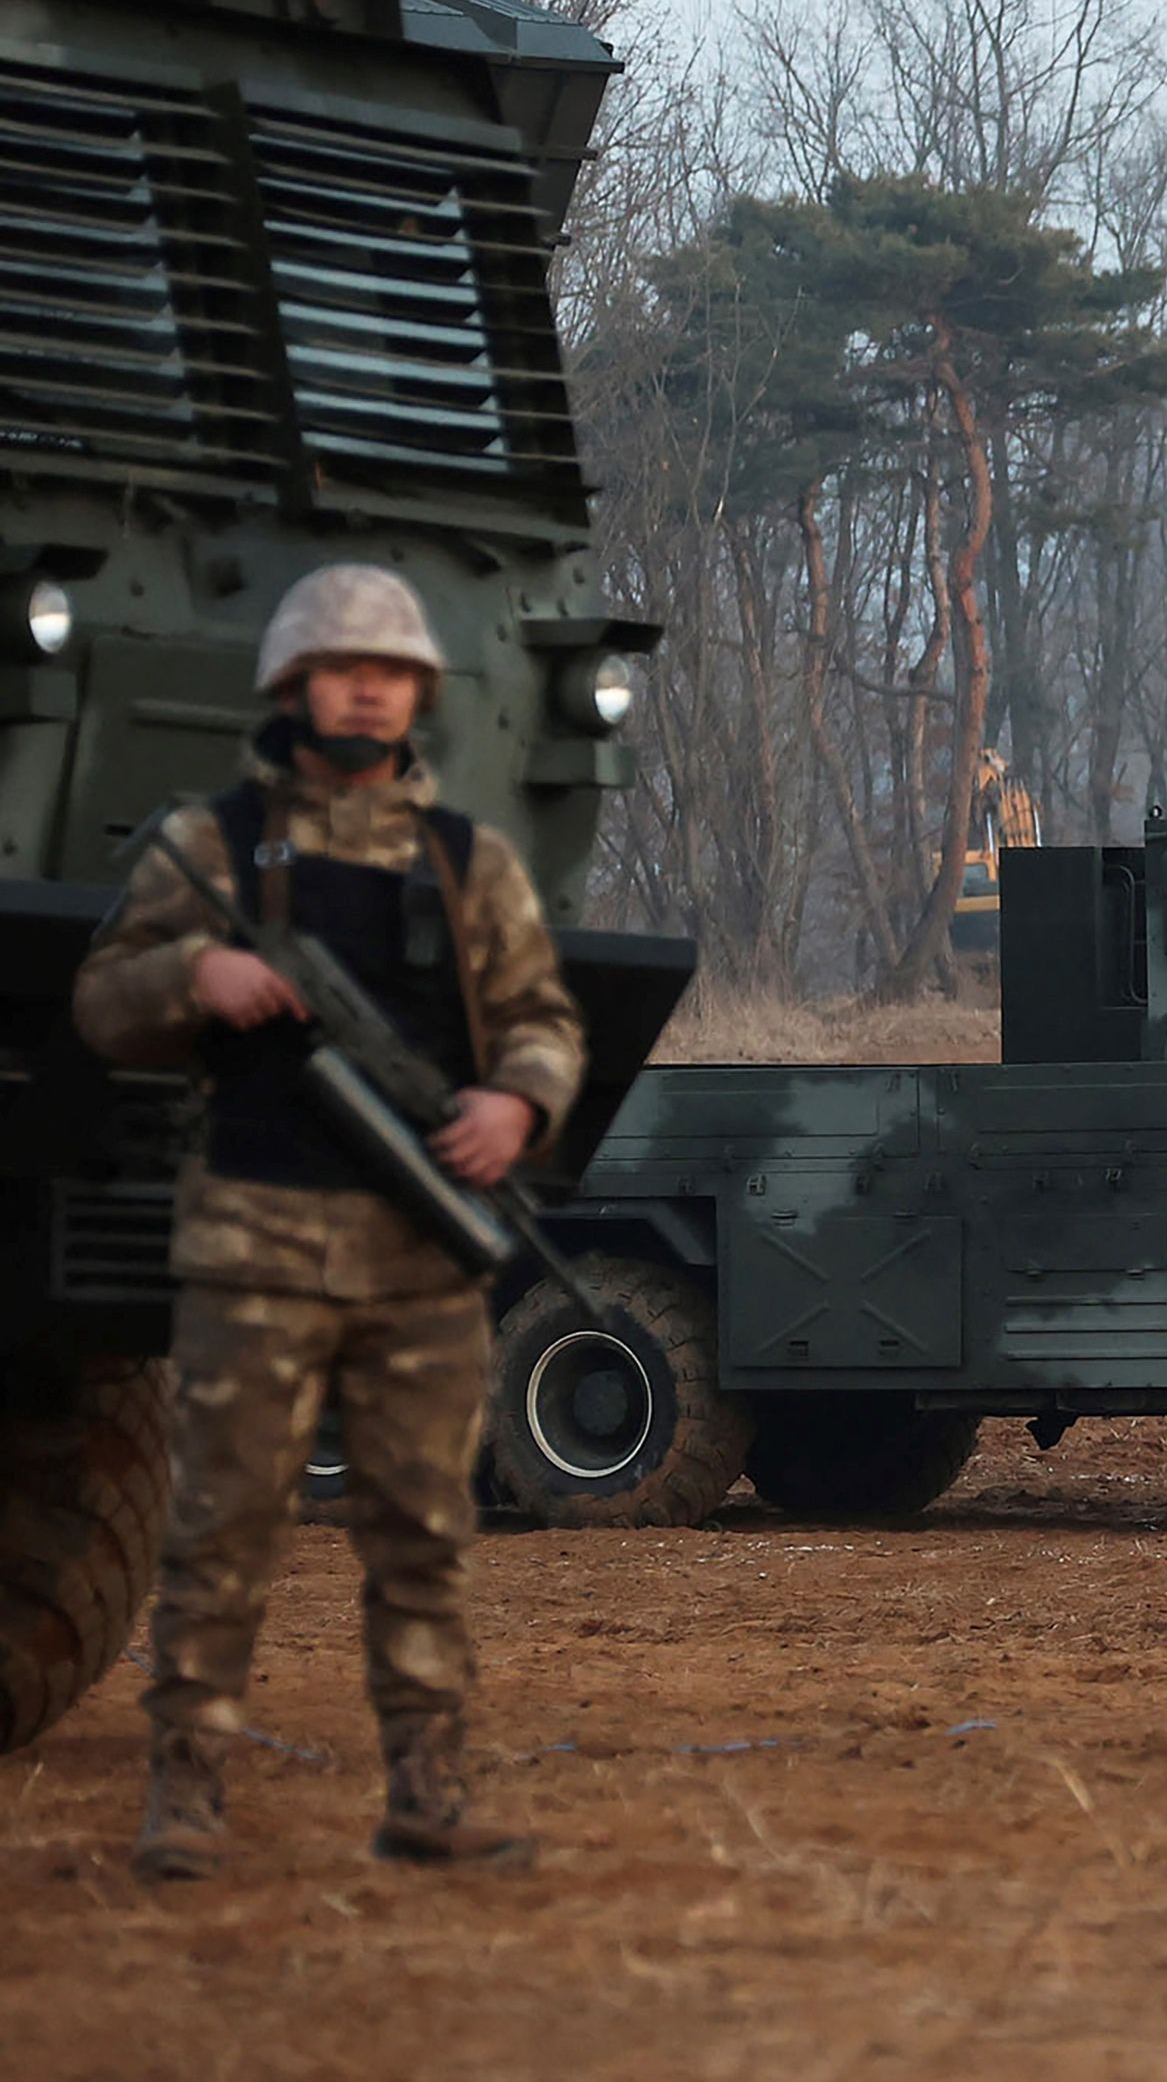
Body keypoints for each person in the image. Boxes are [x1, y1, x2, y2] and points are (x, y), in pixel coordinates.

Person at [74, 565, 586, 1880]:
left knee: (426, 1534)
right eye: (345, 668)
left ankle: (430, 1792)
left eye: (393, 671)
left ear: (419, 693)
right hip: (256, 1247)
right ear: (294, 685)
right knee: (221, 1528)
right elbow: (103, 1002)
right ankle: (184, 1798)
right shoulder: (214, 844)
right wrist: (196, 971)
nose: (370, 690)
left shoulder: (468, 861)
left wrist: (516, 1104)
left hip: (420, 1255)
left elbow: (541, 1018)